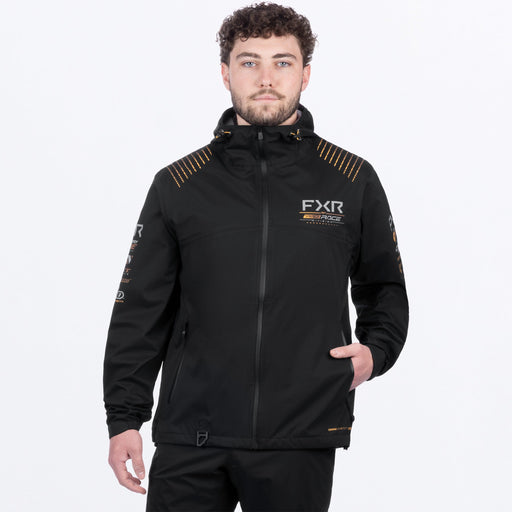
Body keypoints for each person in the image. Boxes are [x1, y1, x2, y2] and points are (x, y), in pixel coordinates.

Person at [103, 3, 409, 511]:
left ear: (305, 75)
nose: (266, 78)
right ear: (226, 73)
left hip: (301, 432)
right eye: (249, 62)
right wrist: (124, 418)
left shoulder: (351, 179)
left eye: (282, 62)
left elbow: (385, 288)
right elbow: (139, 309)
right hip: (191, 435)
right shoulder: (179, 184)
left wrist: (377, 351)